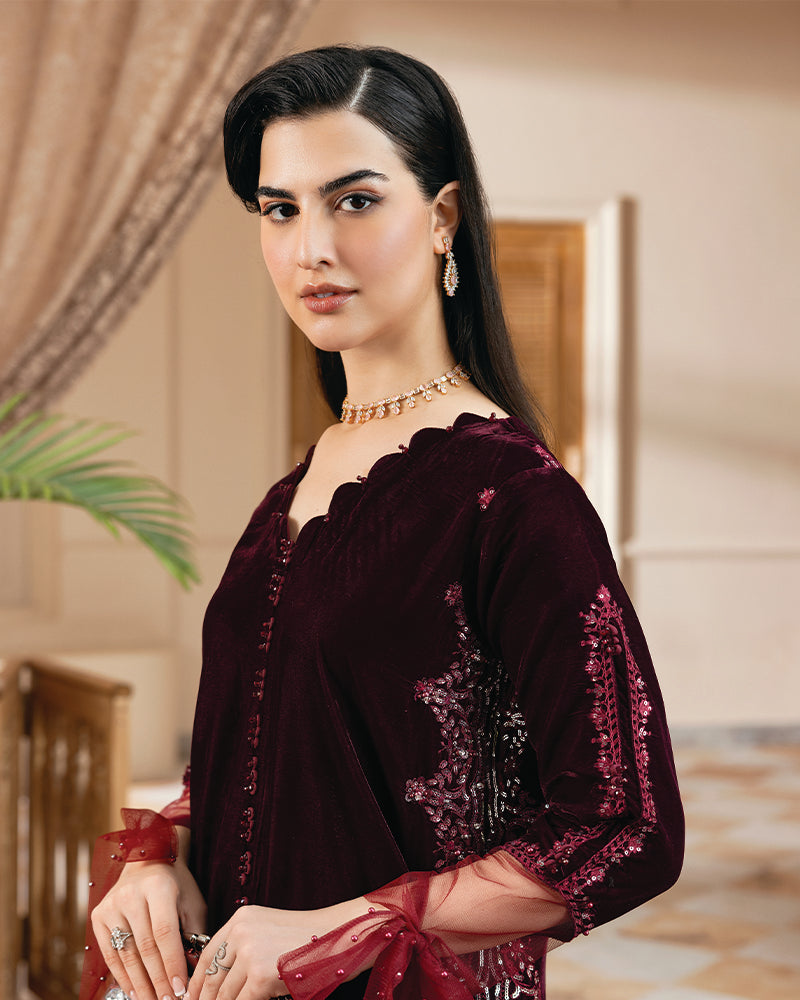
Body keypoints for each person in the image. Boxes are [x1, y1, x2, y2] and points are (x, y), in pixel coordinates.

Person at [80, 45, 684, 1000]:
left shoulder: (511, 495)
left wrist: (349, 927)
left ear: (443, 218)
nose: (309, 248)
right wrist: (163, 860)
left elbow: (627, 825)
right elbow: (270, 757)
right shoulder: (293, 491)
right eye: (279, 209)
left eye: (354, 200)